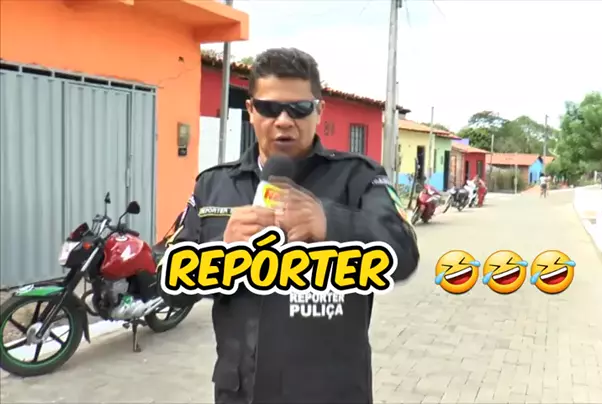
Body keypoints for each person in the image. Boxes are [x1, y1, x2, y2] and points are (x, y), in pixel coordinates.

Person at [161, 47, 420, 404]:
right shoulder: (213, 185)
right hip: (242, 393)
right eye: (269, 108)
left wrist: (331, 222)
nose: (284, 120)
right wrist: (219, 252)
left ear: (319, 110)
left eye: (298, 108)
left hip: (333, 393)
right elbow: (169, 289)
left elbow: (404, 254)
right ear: (251, 110)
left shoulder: (359, 177)